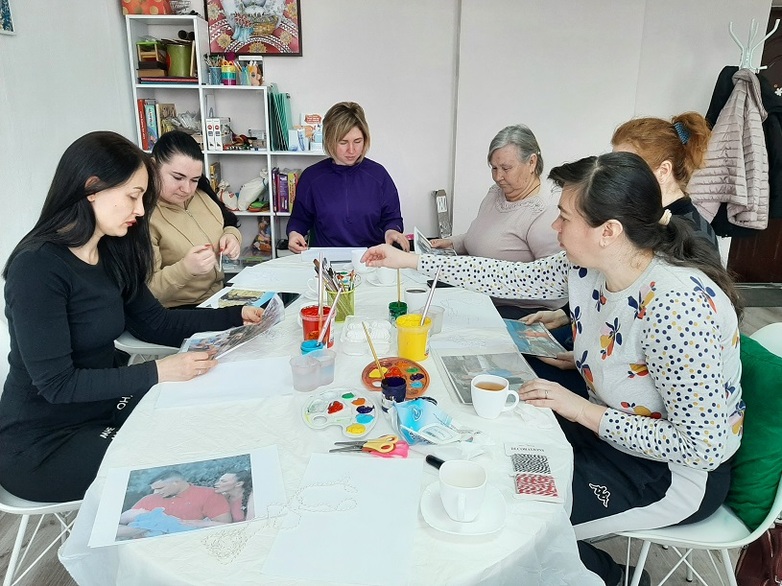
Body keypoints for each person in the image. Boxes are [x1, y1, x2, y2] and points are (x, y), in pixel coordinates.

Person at [362, 152, 744, 586]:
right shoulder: (591, 266)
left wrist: (580, 408)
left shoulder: (678, 308)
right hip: (608, 425)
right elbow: (510, 278)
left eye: (563, 217)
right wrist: (414, 261)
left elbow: (702, 447)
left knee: (512, 520)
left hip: (668, 473)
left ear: (609, 232)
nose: (553, 227)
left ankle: (608, 577)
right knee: (497, 456)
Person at [0, 131, 264, 503]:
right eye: (133, 196)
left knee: (207, 421)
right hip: (43, 442)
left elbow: (157, 323)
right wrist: (160, 372)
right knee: (181, 470)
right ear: (92, 188)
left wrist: (236, 316)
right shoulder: (38, 269)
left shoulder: (112, 253)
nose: (140, 211)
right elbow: (57, 385)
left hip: (102, 408)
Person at [522, 112, 720, 365]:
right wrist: (565, 313)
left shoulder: (690, 242)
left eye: (627, 164)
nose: (613, 173)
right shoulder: (631, 219)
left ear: (663, 171)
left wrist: (593, 364)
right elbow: (612, 281)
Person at [430, 124, 564, 318]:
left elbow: (551, 283)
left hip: (517, 310)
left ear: (532, 162)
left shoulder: (545, 212)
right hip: (477, 292)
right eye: (494, 168)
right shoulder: (497, 192)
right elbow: (489, 234)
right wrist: (454, 242)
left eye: (506, 168)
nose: (498, 177)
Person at [286, 101, 408, 253]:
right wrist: (294, 234)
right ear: (329, 140)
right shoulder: (312, 177)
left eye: (358, 141)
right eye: (343, 142)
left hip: (371, 259)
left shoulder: (378, 175)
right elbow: (299, 220)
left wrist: (392, 231)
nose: (352, 150)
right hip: (326, 262)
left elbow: (392, 219)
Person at [149, 130, 242, 308]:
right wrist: (185, 269)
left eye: (194, 180)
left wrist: (231, 236)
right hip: (181, 310)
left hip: (218, 297)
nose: (186, 189)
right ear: (153, 166)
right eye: (177, 177)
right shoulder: (143, 216)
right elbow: (148, 291)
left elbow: (227, 223)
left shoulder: (201, 194)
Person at [117, 469, 232, 539]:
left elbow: (225, 526)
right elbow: (122, 522)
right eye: (154, 489)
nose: (157, 492)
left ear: (176, 483)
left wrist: (193, 523)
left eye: (160, 488)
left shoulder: (208, 495)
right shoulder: (148, 499)